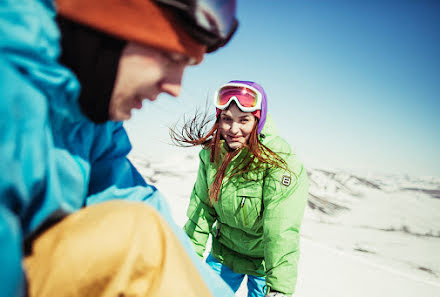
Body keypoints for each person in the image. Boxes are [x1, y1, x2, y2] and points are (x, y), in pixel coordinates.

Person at [0, 0, 239, 296]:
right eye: (172, 56)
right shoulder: (8, 90)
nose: (176, 86)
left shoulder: (92, 124)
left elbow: (139, 206)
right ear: (110, 23)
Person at [170, 81, 309, 297]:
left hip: (264, 264)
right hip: (224, 256)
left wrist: (279, 289)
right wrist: (188, 262)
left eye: (244, 120)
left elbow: (280, 229)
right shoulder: (212, 154)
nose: (233, 130)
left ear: (258, 120)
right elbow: (201, 211)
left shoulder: (279, 161)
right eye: (227, 119)